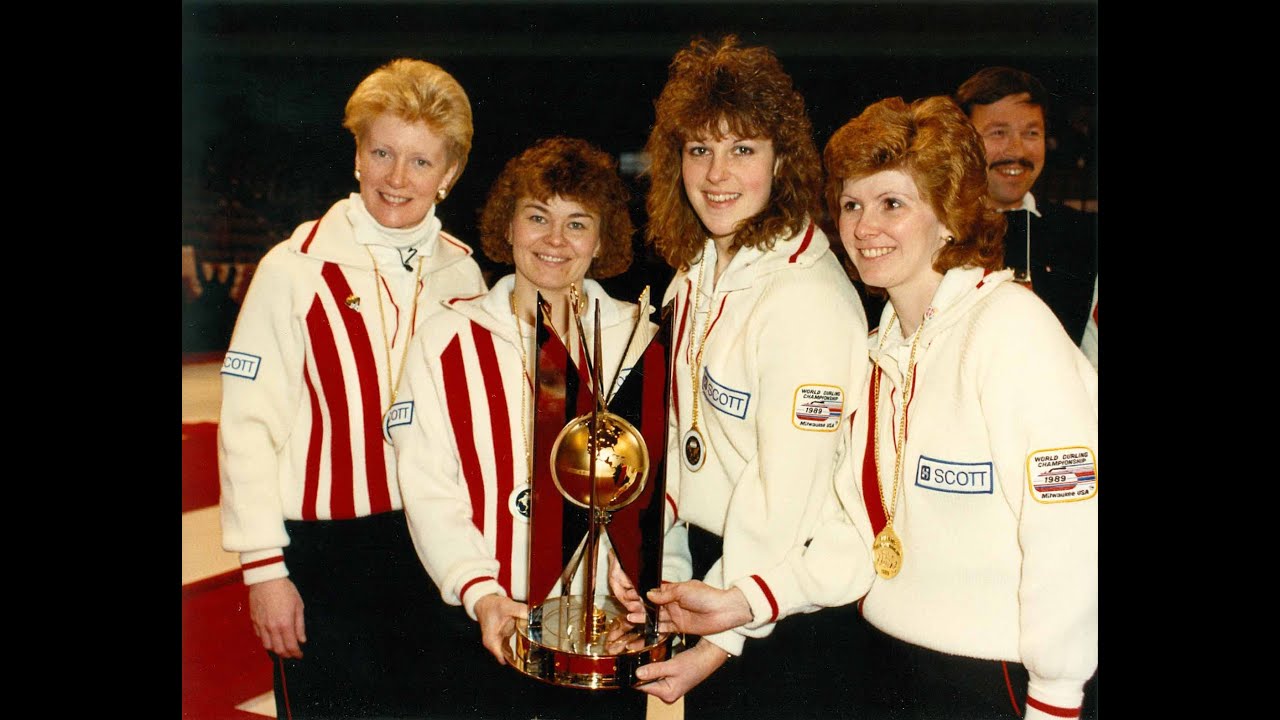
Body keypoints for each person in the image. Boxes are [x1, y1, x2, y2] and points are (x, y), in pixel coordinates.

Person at [641, 95, 1099, 719]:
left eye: (893, 203)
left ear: (949, 213)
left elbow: (1071, 529)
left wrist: (1058, 698)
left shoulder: (1012, 328)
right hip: (896, 669)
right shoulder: (886, 346)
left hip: (1004, 681)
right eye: (852, 204)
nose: (863, 227)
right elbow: (857, 530)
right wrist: (748, 601)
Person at [217, 57, 486, 718]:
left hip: (436, 551)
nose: (398, 178)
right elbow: (248, 424)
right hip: (325, 556)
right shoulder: (294, 266)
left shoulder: (464, 275)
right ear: (358, 155)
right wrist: (264, 571)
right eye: (382, 152)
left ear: (448, 174)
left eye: (421, 162)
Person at [609, 35, 869, 717]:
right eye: (700, 149)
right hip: (713, 573)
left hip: (778, 604)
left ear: (782, 162)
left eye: (743, 150)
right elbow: (675, 441)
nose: (716, 173)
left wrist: (723, 642)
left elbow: (784, 496)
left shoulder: (805, 298)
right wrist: (654, 567)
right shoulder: (696, 272)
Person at [389, 136, 653, 719]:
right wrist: (478, 591)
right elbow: (429, 487)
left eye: (577, 223)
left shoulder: (640, 338)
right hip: (485, 623)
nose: (555, 241)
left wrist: (650, 580)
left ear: (602, 239)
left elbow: (657, 495)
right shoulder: (446, 340)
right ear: (506, 227)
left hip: (602, 635)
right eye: (537, 217)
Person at [954, 66, 1098, 346]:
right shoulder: (936, 231)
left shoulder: (1083, 235)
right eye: (998, 133)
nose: (1017, 151)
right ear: (964, 143)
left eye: (1031, 133)